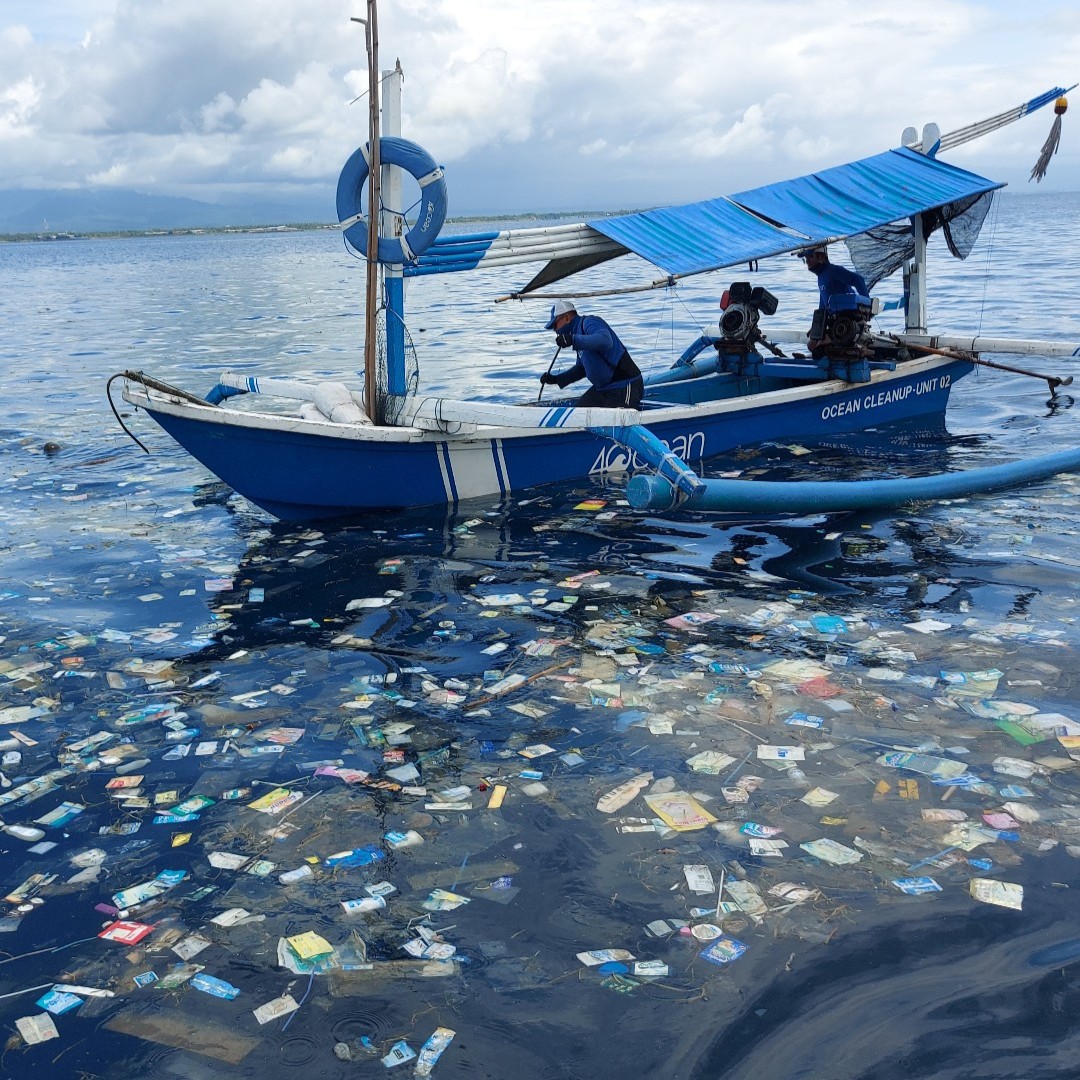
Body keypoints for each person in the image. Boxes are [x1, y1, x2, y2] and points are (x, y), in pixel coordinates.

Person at [539, 299, 644, 409]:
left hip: (625, 385)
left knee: (612, 423)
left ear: (567, 317)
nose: (555, 330)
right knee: (578, 414)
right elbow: (581, 369)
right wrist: (556, 379)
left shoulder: (590, 322)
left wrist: (573, 340)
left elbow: (605, 340)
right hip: (603, 389)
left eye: (555, 325)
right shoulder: (577, 332)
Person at [800, 245, 869, 349]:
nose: (808, 262)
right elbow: (823, 305)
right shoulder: (821, 277)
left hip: (848, 322)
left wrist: (867, 306)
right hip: (834, 322)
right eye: (805, 259)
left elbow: (858, 280)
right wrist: (816, 326)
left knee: (818, 349)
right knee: (811, 345)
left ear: (821, 257)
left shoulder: (834, 271)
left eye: (810, 257)